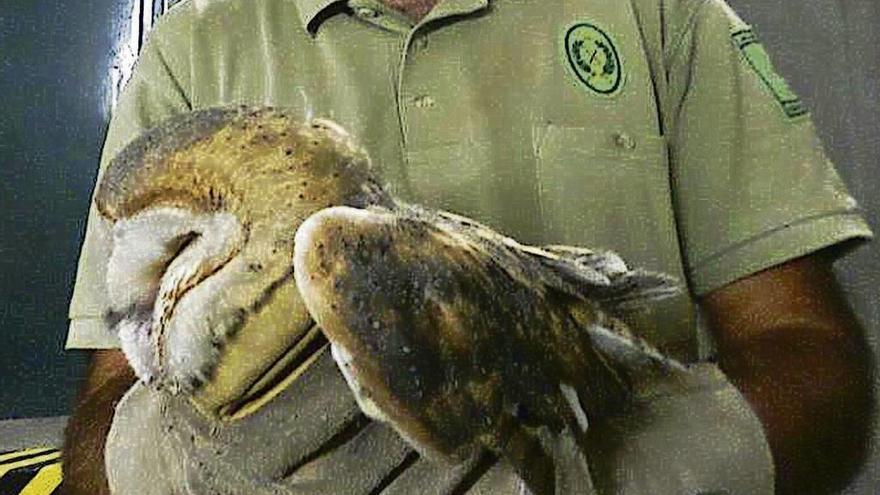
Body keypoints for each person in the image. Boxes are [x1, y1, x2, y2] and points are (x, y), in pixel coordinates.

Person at [62, 0, 875, 493]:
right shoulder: (194, 48)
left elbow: (812, 359)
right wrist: (184, 468)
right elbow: (104, 412)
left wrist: (635, 470)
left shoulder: (660, 15)